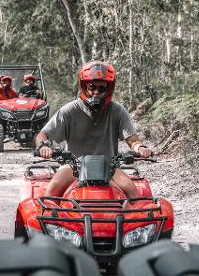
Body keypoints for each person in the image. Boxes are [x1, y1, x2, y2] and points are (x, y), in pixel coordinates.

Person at [35, 61, 152, 199]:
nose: (96, 92)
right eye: (92, 87)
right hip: (74, 166)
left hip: (109, 167)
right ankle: (52, 220)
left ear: (109, 89)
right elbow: (43, 135)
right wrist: (44, 146)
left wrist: (140, 148)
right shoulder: (70, 110)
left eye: (101, 89)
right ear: (84, 86)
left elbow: (133, 140)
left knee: (132, 192)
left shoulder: (117, 111)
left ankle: (131, 220)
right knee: (52, 192)